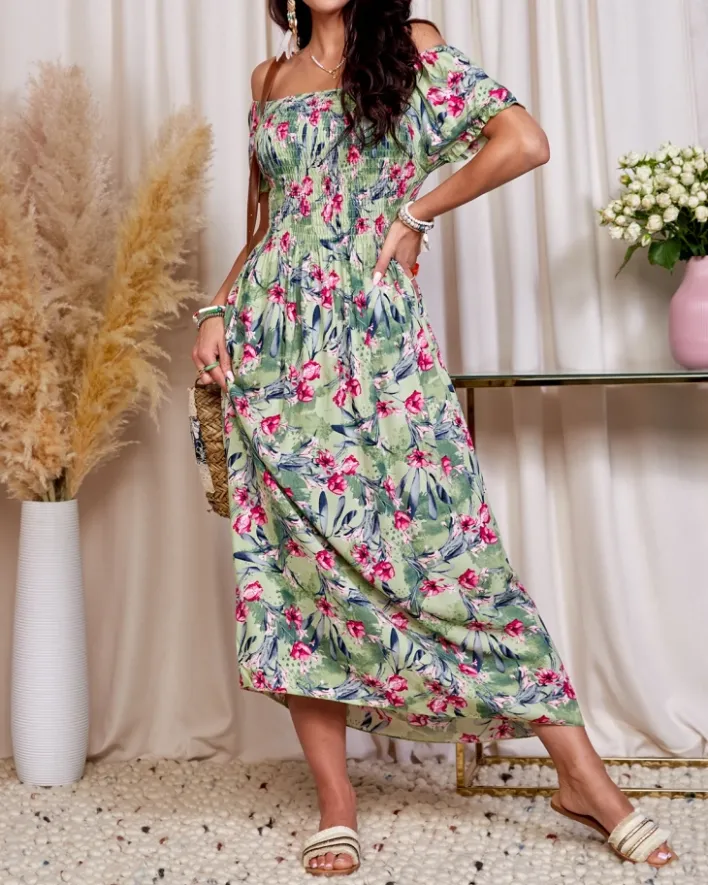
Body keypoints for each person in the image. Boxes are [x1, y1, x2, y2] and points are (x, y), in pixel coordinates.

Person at [192, 0, 676, 876]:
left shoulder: (410, 48)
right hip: (272, 351)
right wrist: (218, 309)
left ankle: (584, 780)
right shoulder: (267, 79)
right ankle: (336, 801)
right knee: (295, 576)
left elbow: (523, 141)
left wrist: (415, 215)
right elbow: (268, 226)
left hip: (375, 348)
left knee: (453, 557)